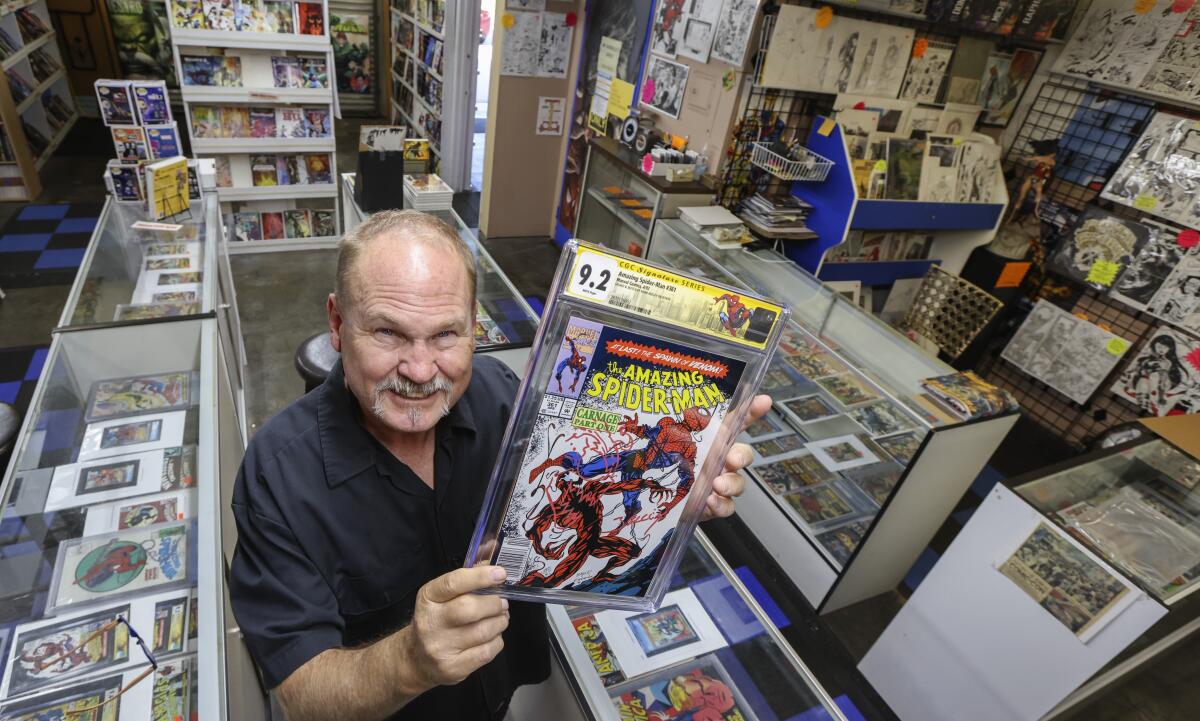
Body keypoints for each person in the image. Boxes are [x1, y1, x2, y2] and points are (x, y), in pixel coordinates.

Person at [229, 210, 767, 721]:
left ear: (473, 327)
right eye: (388, 332)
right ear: (337, 322)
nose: (419, 370)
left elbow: (576, 506)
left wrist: (673, 498)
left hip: (500, 693)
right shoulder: (277, 477)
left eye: (445, 334)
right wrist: (409, 661)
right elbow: (300, 694)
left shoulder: (501, 396)